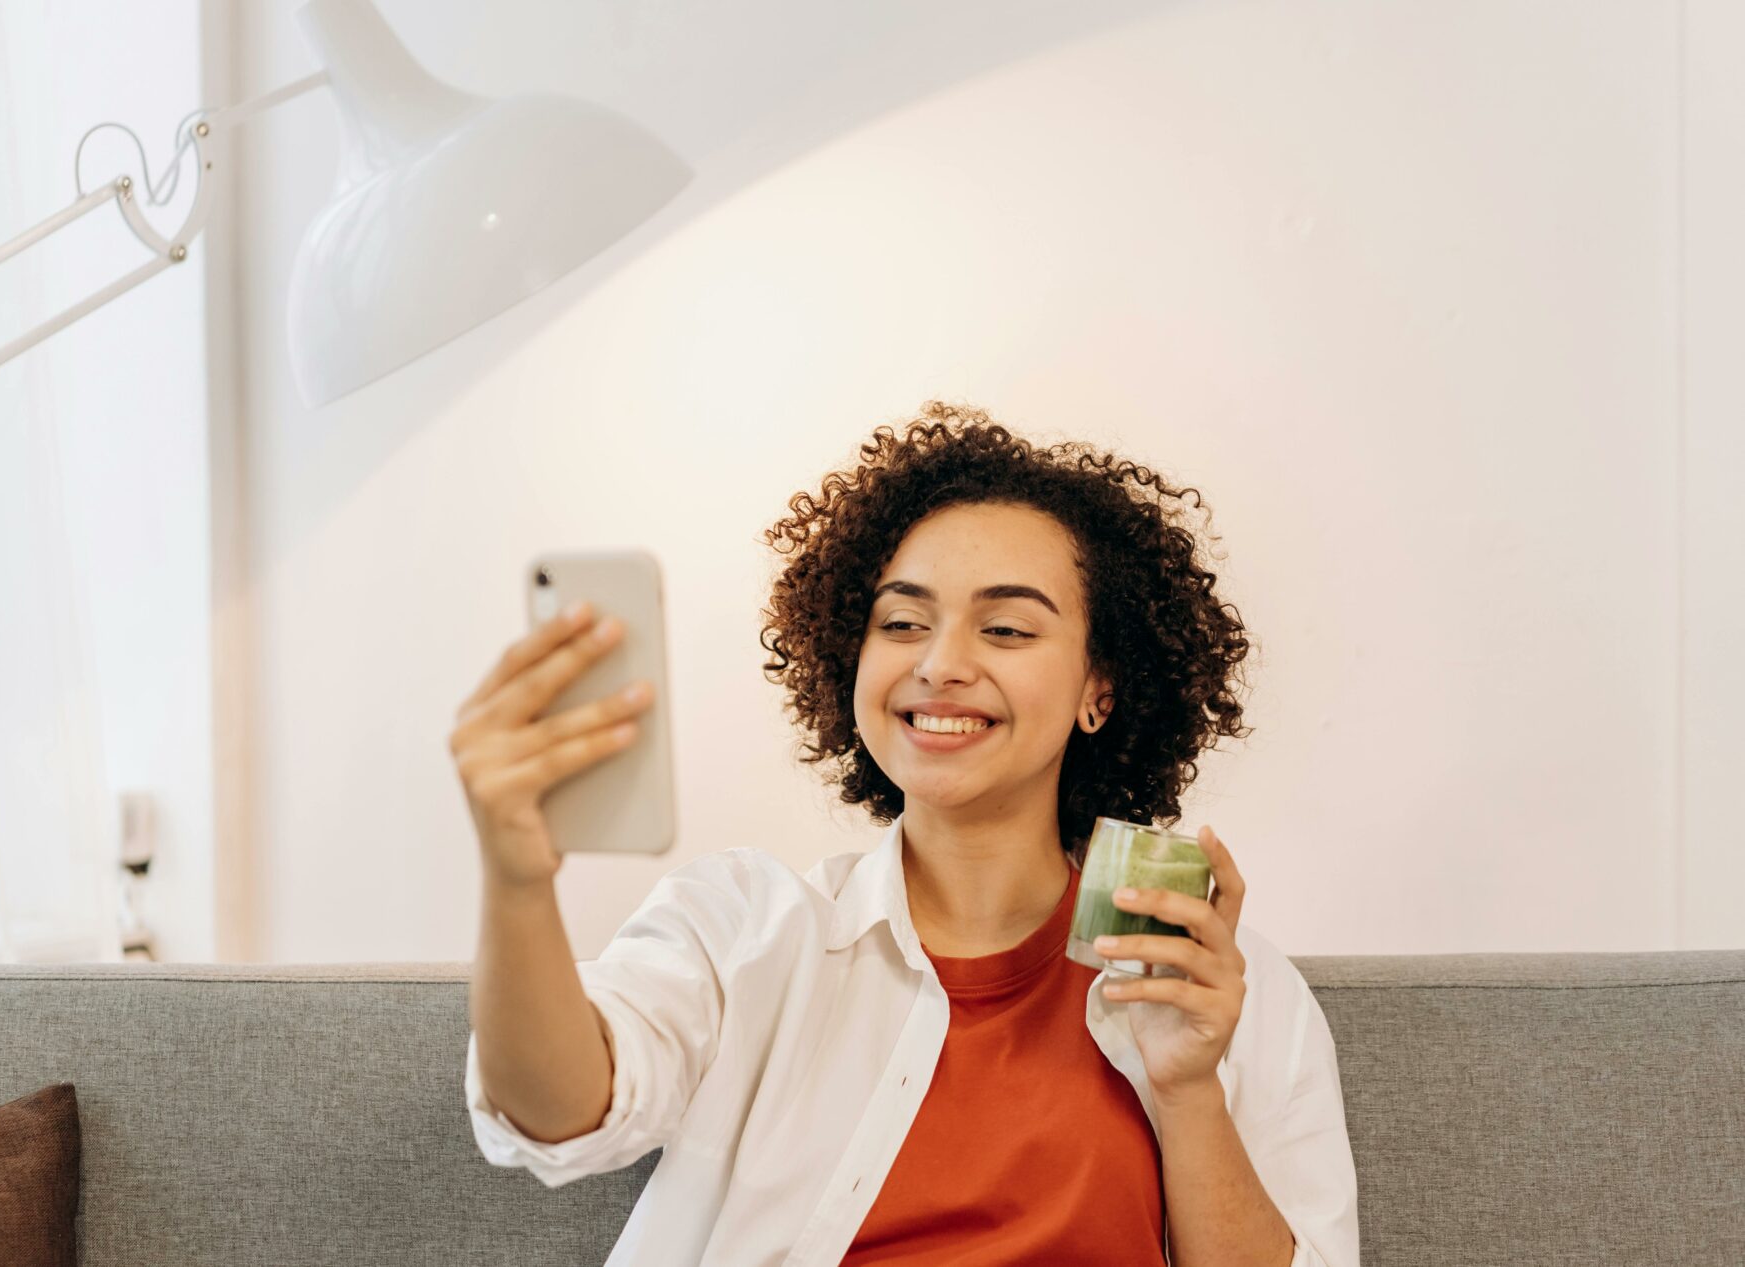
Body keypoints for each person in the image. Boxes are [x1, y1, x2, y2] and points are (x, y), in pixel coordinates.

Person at [455, 400, 1359, 1266]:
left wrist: (1190, 1085)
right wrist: (515, 881)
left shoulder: (1224, 992)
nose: (941, 663)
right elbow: (559, 1113)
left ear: (1100, 690)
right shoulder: (745, 925)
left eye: (1005, 628)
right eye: (902, 623)